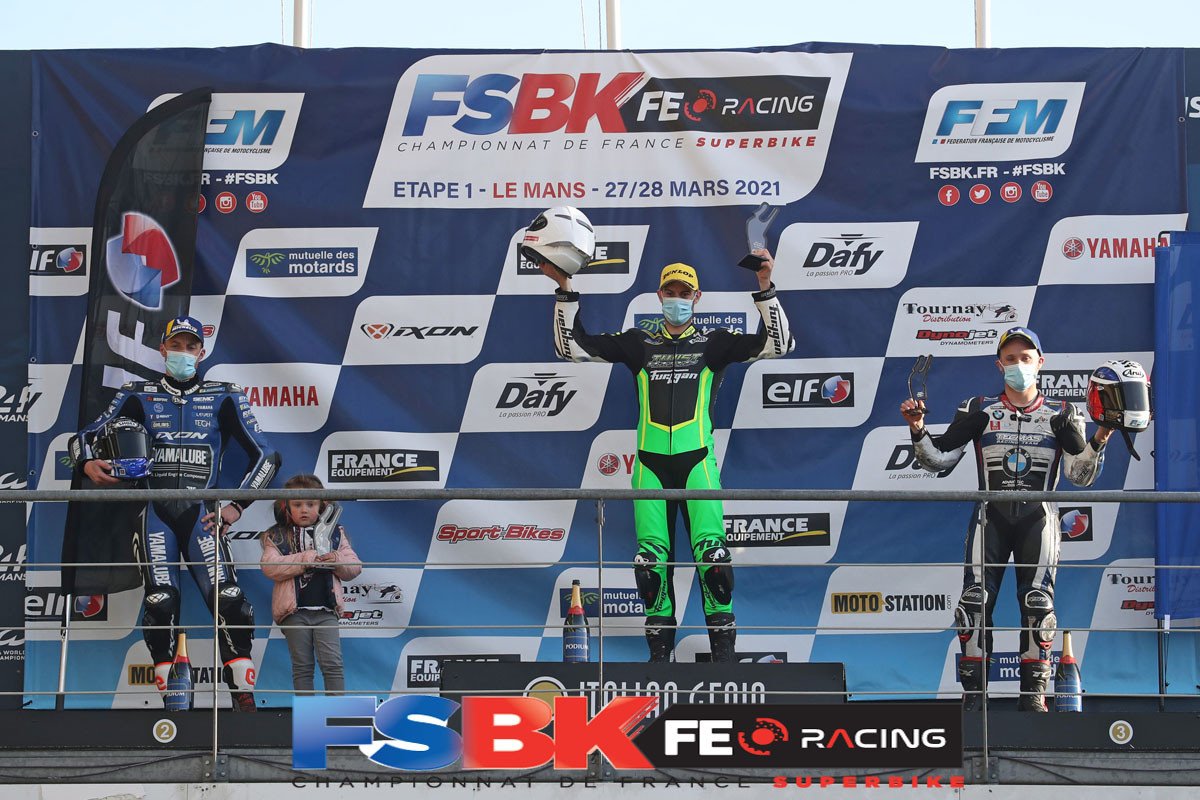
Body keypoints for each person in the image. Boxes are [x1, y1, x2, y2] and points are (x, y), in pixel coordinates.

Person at [533, 232, 794, 662]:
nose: (677, 299)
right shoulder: (639, 343)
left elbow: (777, 344)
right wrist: (565, 287)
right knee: (650, 565)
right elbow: (572, 348)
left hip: (698, 464)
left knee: (713, 559)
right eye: (670, 292)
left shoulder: (714, 343)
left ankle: (724, 655)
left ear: (697, 298)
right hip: (650, 468)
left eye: (684, 293)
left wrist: (765, 284)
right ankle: (659, 659)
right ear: (659, 296)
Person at [899, 326, 1113, 711]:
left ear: (1040, 363)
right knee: (973, 605)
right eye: (1010, 359)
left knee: (1038, 606)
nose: (1018, 365)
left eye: (1025, 358)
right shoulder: (978, 409)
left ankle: (1033, 702)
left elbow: (1080, 475)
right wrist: (917, 428)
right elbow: (939, 461)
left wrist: (1100, 438)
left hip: (1038, 522)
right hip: (990, 519)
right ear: (999, 365)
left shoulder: (1062, 414)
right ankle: (974, 702)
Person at [71, 316, 278, 711]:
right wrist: (86, 463)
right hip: (155, 513)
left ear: (202, 352)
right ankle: (173, 701)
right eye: (176, 345)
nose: (183, 353)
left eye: (190, 346)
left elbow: (267, 456)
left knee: (229, 598)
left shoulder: (224, 395)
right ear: (162, 349)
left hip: (203, 515)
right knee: (160, 601)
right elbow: (85, 436)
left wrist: (236, 506)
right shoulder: (137, 394)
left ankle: (244, 699)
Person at [262, 474, 361, 695]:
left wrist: (336, 559)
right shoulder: (276, 535)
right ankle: (308, 715)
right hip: (293, 612)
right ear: (286, 507)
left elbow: (355, 568)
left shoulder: (336, 533)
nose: (304, 510)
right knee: (302, 667)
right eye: (297, 504)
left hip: (327, 611)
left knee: (333, 664)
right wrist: (306, 559)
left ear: (323, 506)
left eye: (311, 504)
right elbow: (269, 567)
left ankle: (336, 712)